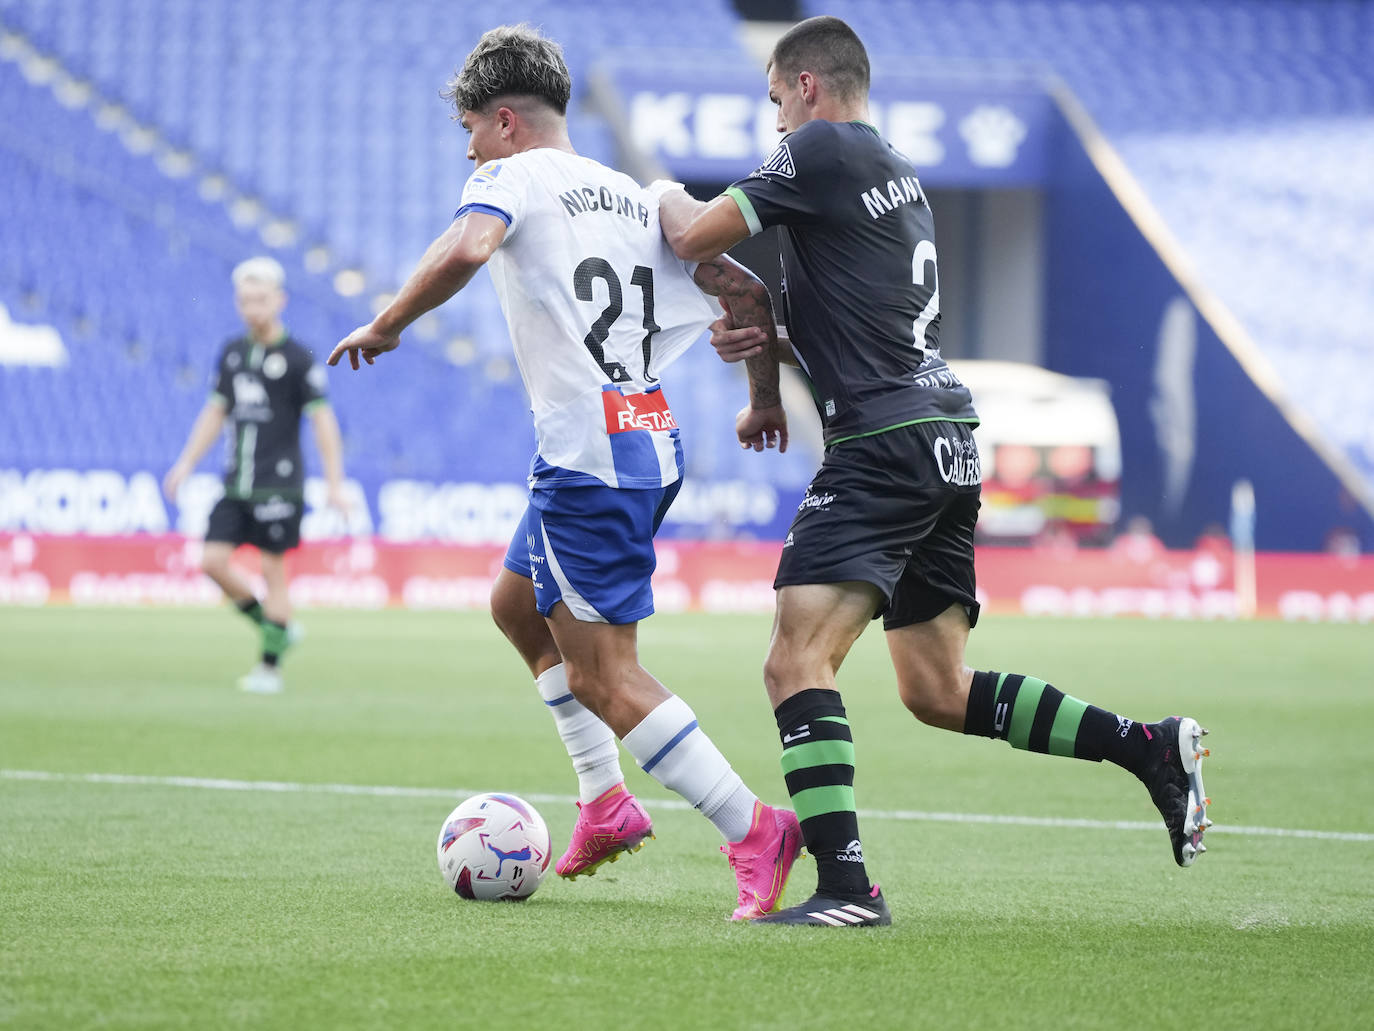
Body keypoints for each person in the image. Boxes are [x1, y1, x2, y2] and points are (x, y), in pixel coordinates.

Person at [654, 15, 1213, 926]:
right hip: (944, 435)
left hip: (882, 443)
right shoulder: (893, 175)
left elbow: (694, 237)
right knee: (937, 690)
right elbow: (869, 325)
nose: (774, 129)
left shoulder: (822, 148)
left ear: (805, 88)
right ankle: (1148, 747)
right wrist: (781, 347)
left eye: (773, 105)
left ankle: (845, 889)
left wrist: (657, 195)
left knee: (796, 659)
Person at [328, 24, 800, 921]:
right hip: (643, 440)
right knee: (514, 605)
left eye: (469, 128)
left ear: (504, 121)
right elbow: (746, 293)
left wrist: (388, 323)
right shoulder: (641, 194)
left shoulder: (508, 178)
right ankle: (605, 802)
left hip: (591, 459)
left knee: (605, 675)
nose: (467, 147)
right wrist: (764, 399)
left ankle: (755, 828)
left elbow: (468, 248)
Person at [163, 256, 348, 695]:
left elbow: (323, 421)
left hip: (280, 484)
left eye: (261, 299)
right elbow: (215, 410)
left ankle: (269, 668)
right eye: (245, 300)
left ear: (279, 301)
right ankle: (275, 627)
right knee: (211, 561)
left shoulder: (298, 358)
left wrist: (335, 483)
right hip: (236, 483)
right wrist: (187, 461)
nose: (252, 308)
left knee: (273, 572)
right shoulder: (232, 353)